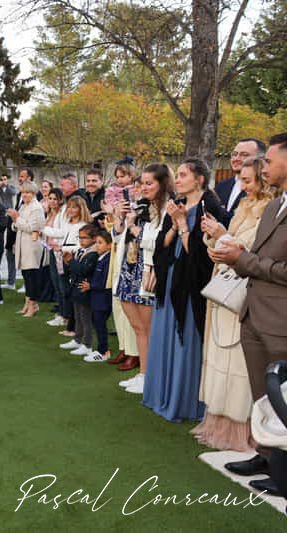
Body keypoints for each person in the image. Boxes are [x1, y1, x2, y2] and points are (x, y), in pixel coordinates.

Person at [215, 132, 287, 495]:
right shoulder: (276, 206)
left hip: (281, 323)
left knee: (284, 401)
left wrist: (244, 259)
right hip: (254, 315)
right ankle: (267, 456)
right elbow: (259, 258)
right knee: (262, 396)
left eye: (271, 160)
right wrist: (237, 254)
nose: (265, 167)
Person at [192, 157, 275, 451]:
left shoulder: (270, 210)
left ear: (264, 181)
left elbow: (250, 251)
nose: (243, 185)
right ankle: (220, 423)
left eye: (249, 180)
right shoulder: (242, 206)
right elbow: (231, 243)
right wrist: (214, 240)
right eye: (241, 179)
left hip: (243, 292)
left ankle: (244, 431)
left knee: (238, 361)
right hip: (223, 285)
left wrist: (221, 236)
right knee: (219, 355)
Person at [142, 158, 229, 422]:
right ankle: (161, 394)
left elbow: (201, 258)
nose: (176, 179)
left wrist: (182, 225)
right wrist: (175, 222)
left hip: (191, 289)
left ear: (199, 179)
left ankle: (184, 402)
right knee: (165, 337)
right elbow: (162, 244)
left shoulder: (210, 208)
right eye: (176, 175)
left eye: (182, 175)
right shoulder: (179, 205)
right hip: (171, 283)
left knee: (186, 341)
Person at [114, 164, 173, 390]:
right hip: (129, 269)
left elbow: (160, 242)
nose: (143, 188)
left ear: (163, 183)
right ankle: (143, 373)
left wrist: (135, 229)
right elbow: (118, 236)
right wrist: (121, 220)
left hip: (147, 272)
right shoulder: (139, 207)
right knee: (137, 327)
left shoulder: (168, 208)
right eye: (141, 183)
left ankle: (151, 376)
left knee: (150, 329)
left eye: (149, 183)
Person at [43, 195, 90, 336]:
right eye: (69, 207)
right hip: (64, 259)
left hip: (75, 260)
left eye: (74, 207)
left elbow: (81, 246)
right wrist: (43, 228)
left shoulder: (83, 225)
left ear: (81, 209)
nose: (70, 210)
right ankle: (70, 324)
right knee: (66, 291)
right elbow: (60, 233)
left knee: (73, 294)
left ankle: (74, 327)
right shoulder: (69, 224)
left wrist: (63, 248)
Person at [59, 224, 98, 356]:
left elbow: (83, 270)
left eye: (84, 238)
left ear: (93, 239)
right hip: (76, 289)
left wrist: (71, 261)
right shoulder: (81, 251)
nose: (81, 241)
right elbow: (75, 270)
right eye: (79, 238)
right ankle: (77, 339)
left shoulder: (93, 254)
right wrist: (68, 262)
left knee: (85, 318)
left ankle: (87, 344)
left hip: (85, 290)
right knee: (77, 316)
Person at [7, 181, 45, 316]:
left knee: (31, 276)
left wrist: (16, 218)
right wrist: (14, 220)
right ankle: (27, 303)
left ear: (33, 193)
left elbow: (32, 228)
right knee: (26, 275)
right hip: (22, 244)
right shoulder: (24, 206)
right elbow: (18, 225)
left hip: (32, 245)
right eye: (22, 192)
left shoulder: (37, 207)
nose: (24, 195)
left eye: (27, 192)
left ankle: (33, 305)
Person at [81, 229, 113, 362]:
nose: (97, 245)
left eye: (100, 243)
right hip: (97, 298)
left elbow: (106, 281)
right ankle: (100, 349)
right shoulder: (101, 259)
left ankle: (103, 351)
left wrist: (91, 285)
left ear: (110, 245)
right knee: (97, 323)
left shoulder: (108, 260)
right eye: (96, 243)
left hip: (103, 299)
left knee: (100, 325)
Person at [215, 138, 266, 214]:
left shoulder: (266, 189)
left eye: (244, 155)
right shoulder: (221, 186)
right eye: (234, 154)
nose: (236, 158)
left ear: (260, 159)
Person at [44, 188, 68, 327]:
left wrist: (45, 230)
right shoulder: (50, 213)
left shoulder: (63, 213)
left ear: (60, 199)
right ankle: (60, 313)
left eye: (54, 198)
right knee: (56, 283)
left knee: (61, 284)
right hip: (51, 251)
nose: (52, 201)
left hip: (60, 251)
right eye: (50, 198)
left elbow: (63, 232)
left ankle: (64, 315)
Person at [0, 173, 18, 289]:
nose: (3, 181)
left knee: (11, 247)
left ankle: (12, 280)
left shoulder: (11, 188)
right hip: (1, 213)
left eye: (5, 179)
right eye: (2, 179)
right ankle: (10, 281)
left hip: (10, 214)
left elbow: (13, 193)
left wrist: (7, 185)